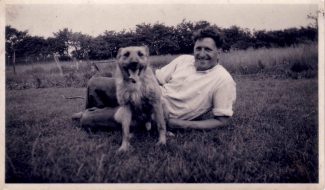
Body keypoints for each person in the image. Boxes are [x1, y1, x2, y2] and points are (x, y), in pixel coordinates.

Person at [72, 26, 236, 130]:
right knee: (95, 83)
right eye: (198, 48)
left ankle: (95, 114)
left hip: (155, 114)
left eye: (207, 49)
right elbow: (157, 77)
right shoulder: (184, 60)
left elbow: (222, 121)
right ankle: (101, 109)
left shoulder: (223, 80)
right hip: (147, 93)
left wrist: (181, 124)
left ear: (219, 51)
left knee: (88, 119)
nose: (201, 54)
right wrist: (133, 77)